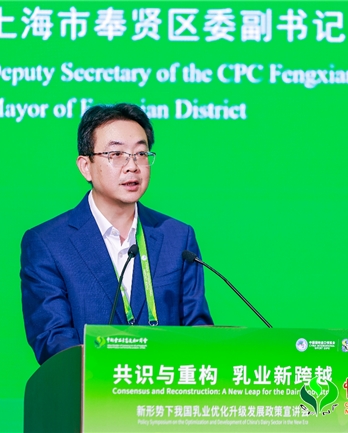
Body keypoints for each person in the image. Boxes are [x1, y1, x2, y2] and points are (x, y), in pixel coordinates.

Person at [20, 103, 213, 364]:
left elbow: (198, 331)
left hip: (164, 386)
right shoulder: (48, 243)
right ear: (85, 166)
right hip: (90, 388)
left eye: (141, 153)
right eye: (116, 154)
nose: (132, 166)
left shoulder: (177, 237)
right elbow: (52, 340)